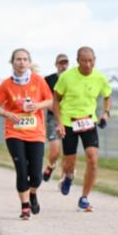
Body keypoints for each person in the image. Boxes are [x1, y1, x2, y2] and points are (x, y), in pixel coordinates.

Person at [0, 48, 53, 220]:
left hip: (36, 133)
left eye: (25, 59)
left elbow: (50, 100)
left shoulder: (38, 81)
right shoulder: (6, 84)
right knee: (21, 169)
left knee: (36, 175)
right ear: (12, 62)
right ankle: (25, 206)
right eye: (18, 59)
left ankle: (32, 194)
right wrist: (7, 114)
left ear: (29, 62)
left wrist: (38, 106)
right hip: (14, 133)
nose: (22, 62)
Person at [52, 46, 112, 211]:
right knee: (69, 162)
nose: (87, 64)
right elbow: (55, 100)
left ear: (95, 60)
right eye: (84, 61)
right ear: (77, 61)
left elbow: (107, 96)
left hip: (88, 122)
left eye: (91, 60)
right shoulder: (66, 77)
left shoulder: (99, 78)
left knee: (93, 159)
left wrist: (105, 113)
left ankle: (84, 197)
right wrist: (59, 123)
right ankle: (69, 177)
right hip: (69, 123)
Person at [42, 53, 70, 182]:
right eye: (61, 63)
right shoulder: (48, 79)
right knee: (55, 151)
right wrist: (53, 107)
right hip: (53, 118)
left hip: (70, 118)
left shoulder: (73, 78)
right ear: (56, 65)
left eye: (65, 63)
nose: (63, 66)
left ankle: (64, 177)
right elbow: (44, 98)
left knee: (69, 151)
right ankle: (52, 164)